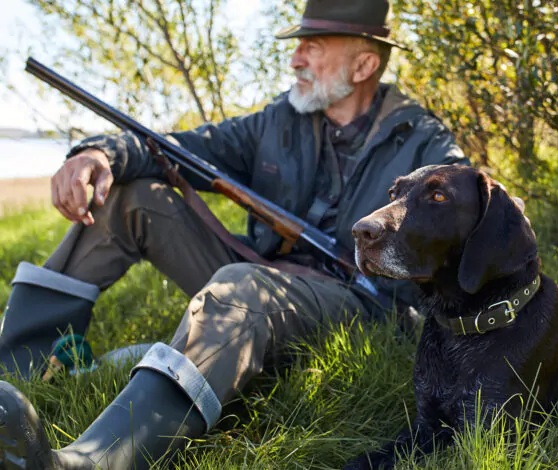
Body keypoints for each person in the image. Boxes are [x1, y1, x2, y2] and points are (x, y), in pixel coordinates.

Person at [0, 0, 469, 468]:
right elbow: (178, 149)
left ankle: (93, 461)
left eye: (312, 46)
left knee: (240, 288)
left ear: (365, 63)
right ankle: (17, 373)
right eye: (298, 46)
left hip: (357, 302)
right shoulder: (279, 120)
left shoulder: (424, 141)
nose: (295, 58)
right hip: (262, 270)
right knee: (131, 196)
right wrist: (100, 155)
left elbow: (465, 216)